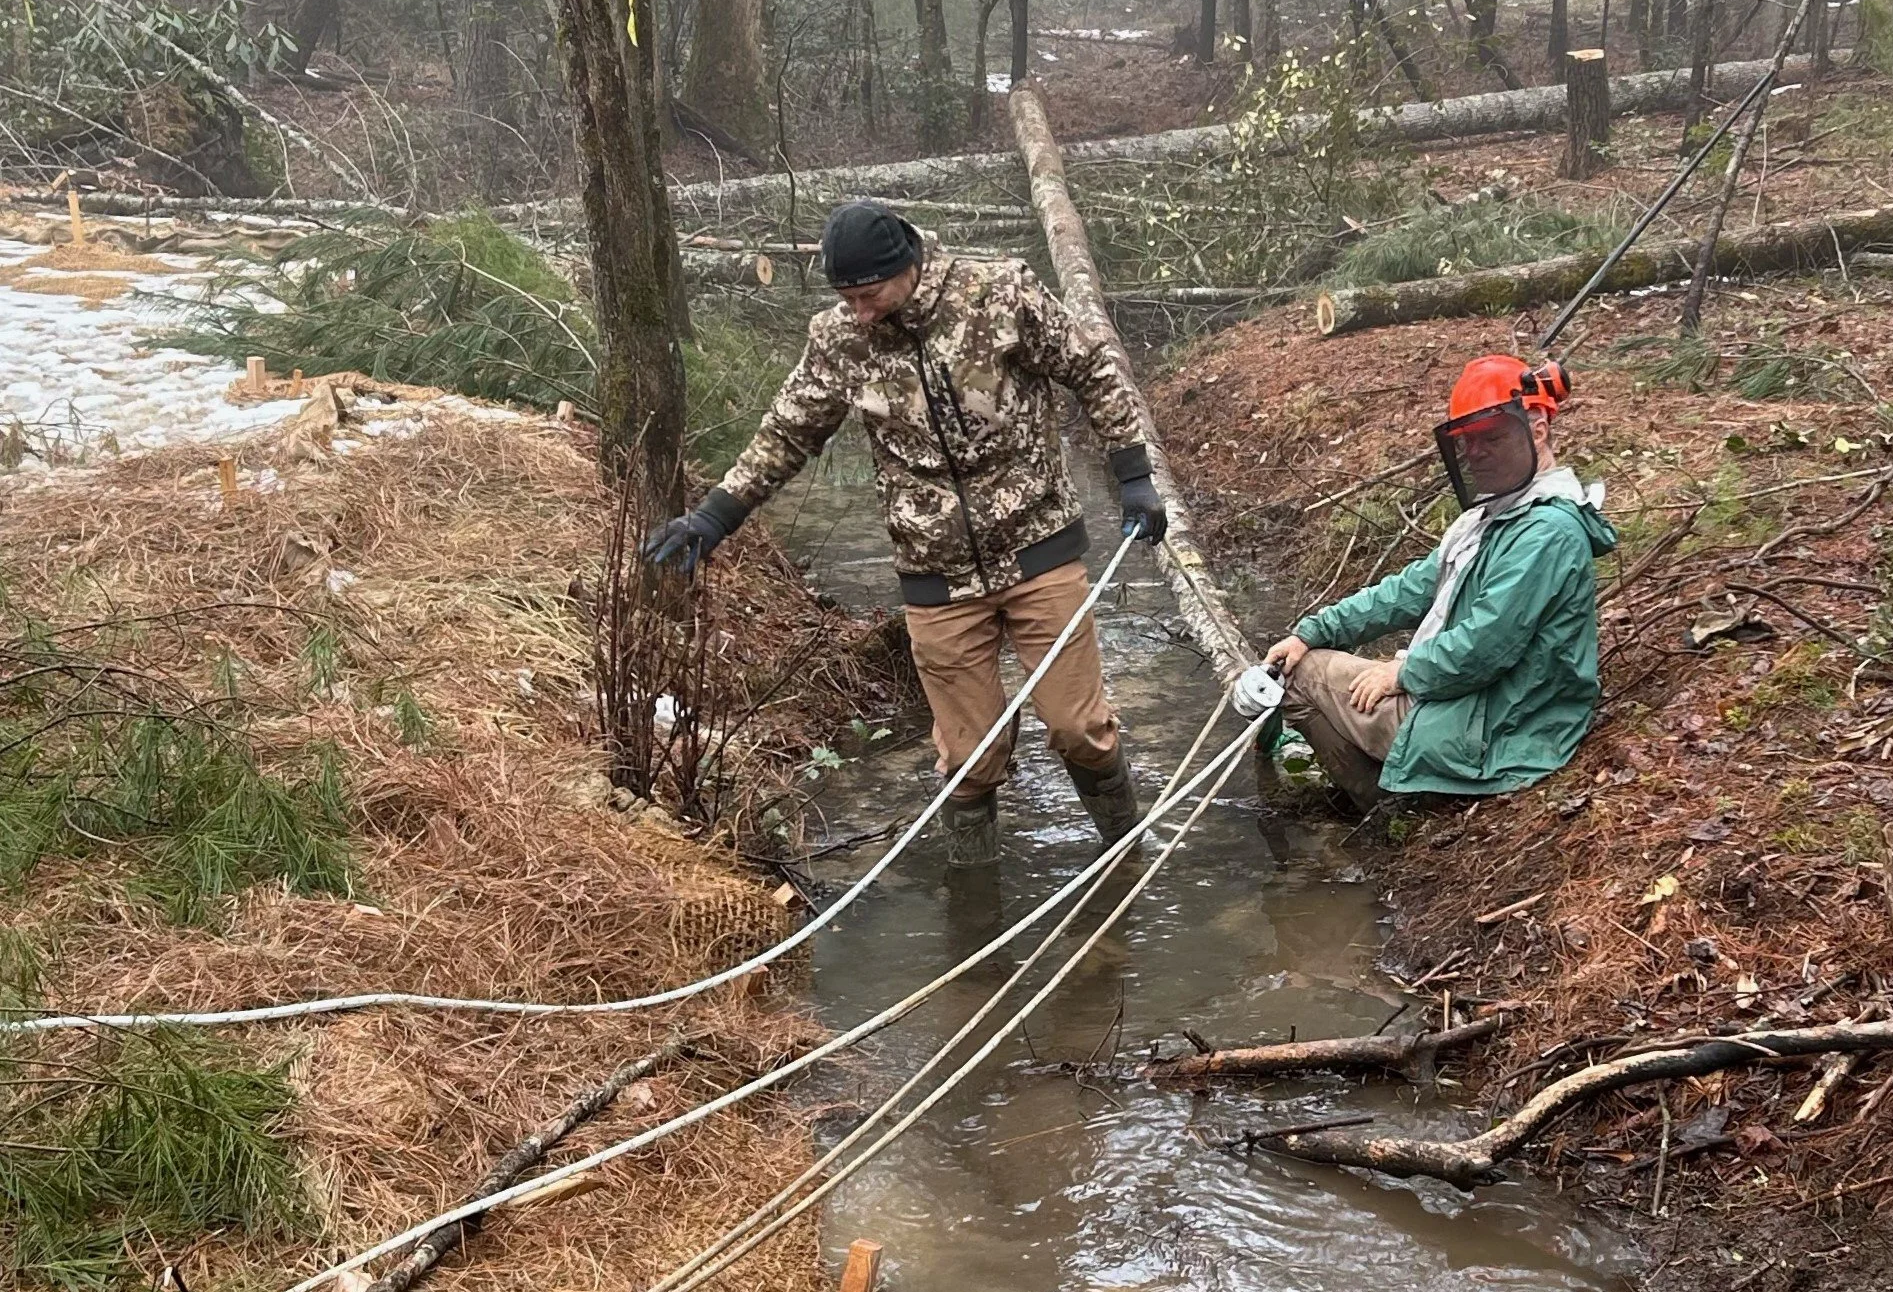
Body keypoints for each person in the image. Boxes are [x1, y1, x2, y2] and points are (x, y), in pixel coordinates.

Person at [645, 199, 1167, 869]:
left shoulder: (998, 292)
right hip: (934, 574)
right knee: (970, 759)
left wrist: (1132, 474)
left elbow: (1090, 368)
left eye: (868, 295)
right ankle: (974, 904)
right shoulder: (840, 339)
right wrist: (715, 517)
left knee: (1079, 729)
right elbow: (788, 431)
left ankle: (1127, 860)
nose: (859, 312)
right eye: (846, 298)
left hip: (1038, 546)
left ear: (908, 267)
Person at [1259, 356, 1614, 811]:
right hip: (1487, 708)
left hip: (1502, 731)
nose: (1477, 453)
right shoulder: (1499, 518)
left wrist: (1402, 673)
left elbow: (1485, 645)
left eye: (1492, 438)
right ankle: (1396, 789)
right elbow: (1409, 590)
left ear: (1538, 432)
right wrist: (1313, 631)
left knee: (1299, 678)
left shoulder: (1546, 531)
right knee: (1305, 657)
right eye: (1468, 441)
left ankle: (1384, 806)